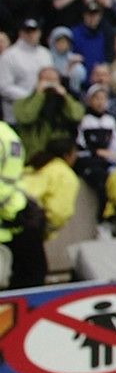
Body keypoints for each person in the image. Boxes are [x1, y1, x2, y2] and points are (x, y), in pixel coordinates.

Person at [1, 117, 48, 289]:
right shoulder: (7, 136)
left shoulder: (4, 137)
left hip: (15, 222)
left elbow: (7, 182)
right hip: (14, 221)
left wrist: (14, 213)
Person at [21, 137, 80, 237]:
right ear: (66, 155)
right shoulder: (65, 175)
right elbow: (59, 212)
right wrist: (46, 228)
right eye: (75, 154)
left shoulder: (32, 167)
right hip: (31, 223)